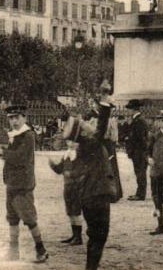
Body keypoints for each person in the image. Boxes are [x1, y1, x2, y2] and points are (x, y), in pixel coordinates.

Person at [61, 99, 117, 269]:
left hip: (88, 197)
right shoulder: (91, 143)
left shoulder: (83, 147)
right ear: (83, 134)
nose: (88, 125)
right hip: (97, 196)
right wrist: (105, 105)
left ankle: (90, 266)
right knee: (100, 236)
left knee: (95, 236)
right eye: (85, 125)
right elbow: (101, 129)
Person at [0, 104, 48, 263]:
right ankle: (14, 252)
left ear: (24, 118)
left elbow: (20, 157)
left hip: (23, 185)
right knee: (12, 218)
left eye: (17, 117)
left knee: (28, 217)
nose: (14, 121)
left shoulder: (28, 136)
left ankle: (41, 250)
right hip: (12, 183)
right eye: (11, 118)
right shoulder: (14, 135)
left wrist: (1, 152)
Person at [49, 140, 84, 246]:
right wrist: (53, 166)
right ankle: (74, 235)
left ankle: (78, 237)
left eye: (74, 141)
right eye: (70, 141)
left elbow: (82, 170)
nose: (71, 143)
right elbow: (60, 169)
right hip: (68, 185)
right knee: (70, 210)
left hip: (77, 186)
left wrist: (71, 174)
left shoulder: (79, 155)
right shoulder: (67, 154)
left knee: (76, 210)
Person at [125, 99, 149, 201]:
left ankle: (140, 194)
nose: (128, 111)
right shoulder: (137, 120)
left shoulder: (139, 121)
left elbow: (140, 138)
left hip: (139, 151)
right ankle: (139, 193)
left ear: (134, 109)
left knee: (140, 173)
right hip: (137, 151)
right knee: (139, 172)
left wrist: (141, 151)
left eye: (129, 109)